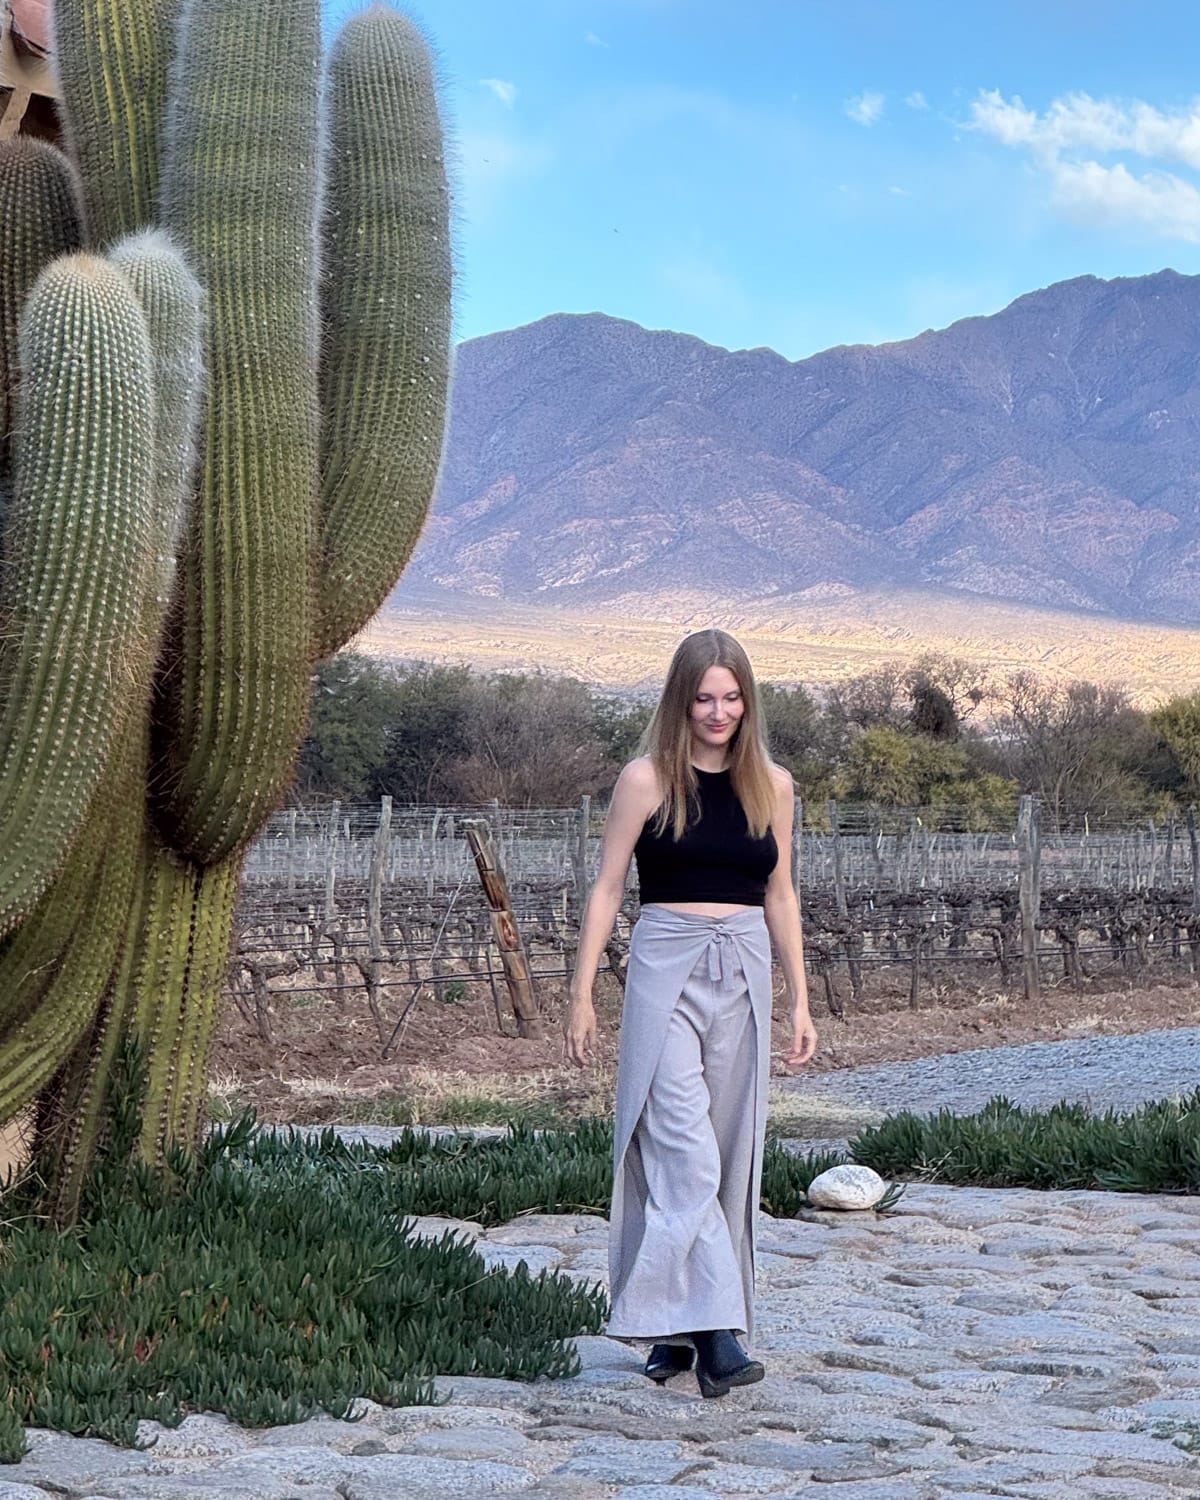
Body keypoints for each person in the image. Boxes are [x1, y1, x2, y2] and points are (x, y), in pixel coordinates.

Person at [564, 628, 817, 1398]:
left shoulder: (773, 785)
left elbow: (781, 894)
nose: (718, 711)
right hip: (665, 961)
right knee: (680, 1147)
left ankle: (672, 1329)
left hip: (741, 967)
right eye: (704, 696)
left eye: (731, 696)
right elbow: (608, 887)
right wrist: (580, 995)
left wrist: (800, 998)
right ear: (681, 699)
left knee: (727, 1148)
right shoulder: (644, 780)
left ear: (749, 700)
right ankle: (718, 1336)